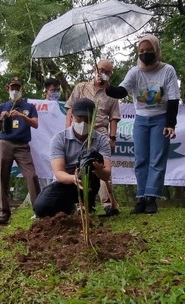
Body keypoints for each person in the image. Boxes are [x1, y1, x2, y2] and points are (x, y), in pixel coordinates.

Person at [105, 34, 180, 214]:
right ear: (137, 54)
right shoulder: (134, 72)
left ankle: (151, 198)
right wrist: (107, 86)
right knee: (140, 159)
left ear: (157, 50)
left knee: (157, 159)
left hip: (160, 118)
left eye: (149, 51)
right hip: (141, 119)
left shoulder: (167, 70)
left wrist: (170, 124)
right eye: (141, 51)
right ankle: (140, 198)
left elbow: (174, 98)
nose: (145, 54)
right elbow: (121, 92)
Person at [32, 98, 112, 218]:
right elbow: (59, 172)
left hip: (89, 182)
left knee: (91, 158)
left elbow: (106, 175)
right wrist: (74, 178)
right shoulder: (59, 139)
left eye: (87, 120)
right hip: (65, 181)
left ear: (93, 120)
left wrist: (99, 170)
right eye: (79, 118)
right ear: (71, 117)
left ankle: (87, 205)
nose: (83, 123)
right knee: (41, 207)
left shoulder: (102, 141)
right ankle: (70, 207)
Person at [65, 59, 121, 216]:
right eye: (100, 69)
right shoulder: (80, 88)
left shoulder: (112, 94)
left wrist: (112, 138)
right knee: (77, 165)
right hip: (79, 131)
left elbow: (114, 118)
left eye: (107, 72)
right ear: (94, 69)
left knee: (101, 167)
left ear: (111, 74)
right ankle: (81, 202)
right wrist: (68, 130)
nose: (102, 73)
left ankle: (109, 204)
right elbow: (70, 110)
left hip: (100, 132)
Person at [0, 77, 41, 225]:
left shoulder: (29, 107)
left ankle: (39, 210)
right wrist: (1, 119)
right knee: (2, 177)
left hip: (22, 146)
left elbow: (35, 124)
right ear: (8, 90)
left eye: (17, 88)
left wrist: (21, 115)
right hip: (5, 144)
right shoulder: (2, 107)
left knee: (31, 175)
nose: (15, 91)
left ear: (22, 90)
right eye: (12, 88)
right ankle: (3, 213)